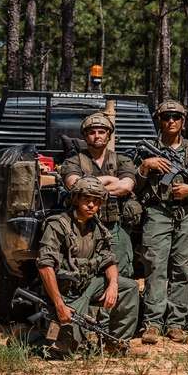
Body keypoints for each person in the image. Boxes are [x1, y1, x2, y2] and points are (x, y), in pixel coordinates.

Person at [33, 176, 140, 357]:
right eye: (86, 199)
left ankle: (116, 344)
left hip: (88, 285)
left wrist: (113, 284)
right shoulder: (58, 225)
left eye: (96, 201)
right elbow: (45, 266)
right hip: (65, 292)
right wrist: (59, 305)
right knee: (65, 351)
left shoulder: (98, 227)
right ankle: (27, 337)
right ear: (75, 199)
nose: (91, 205)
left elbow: (109, 260)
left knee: (129, 287)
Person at [136, 101, 188, 344]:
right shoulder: (147, 149)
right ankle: (153, 324)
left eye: (176, 117)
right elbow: (133, 185)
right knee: (155, 267)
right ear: (159, 119)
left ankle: (176, 323)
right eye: (166, 116)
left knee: (182, 269)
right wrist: (146, 166)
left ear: (183, 120)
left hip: (186, 214)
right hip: (157, 212)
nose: (171, 121)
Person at [62, 113, 140, 281]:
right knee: (83, 272)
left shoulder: (122, 161)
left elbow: (126, 186)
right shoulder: (73, 162)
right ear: (85, 136)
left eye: (101, 132)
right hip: (83, 229)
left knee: (121, 274)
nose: (97, 136)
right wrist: (111, 179)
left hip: (115, 228)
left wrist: (89, 186)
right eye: (92, 132)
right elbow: (75, 185)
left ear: (108, 135)